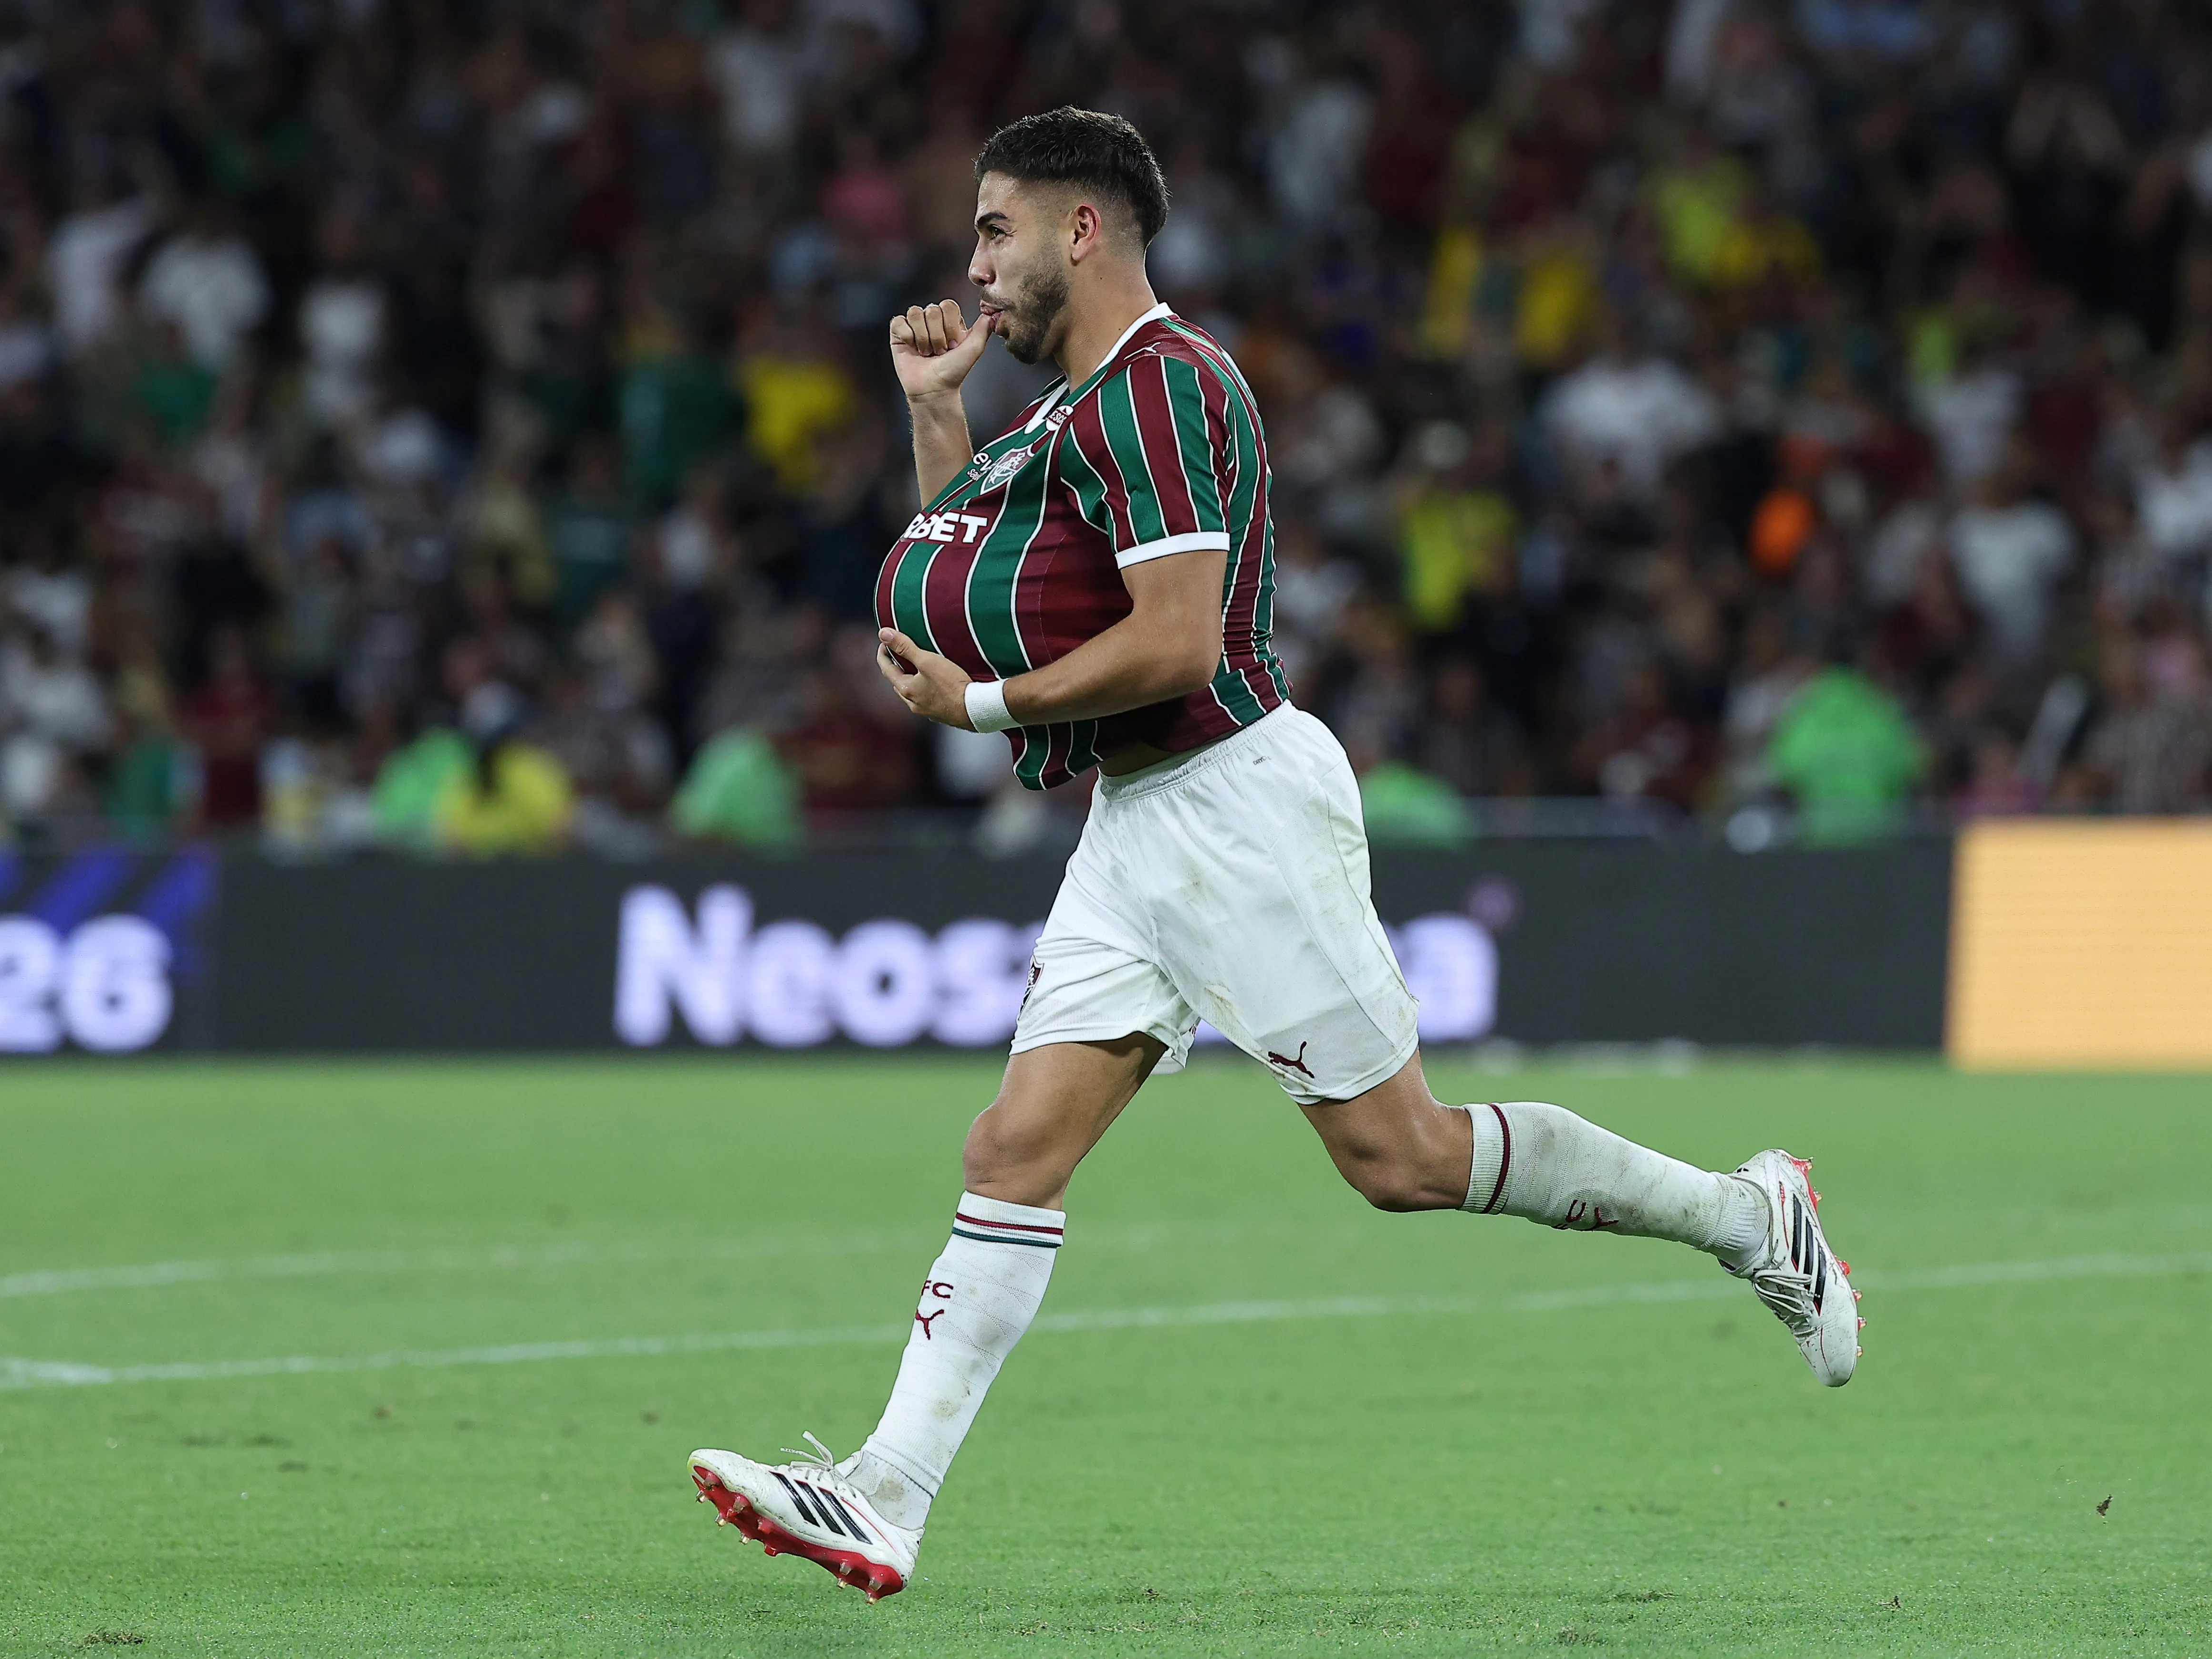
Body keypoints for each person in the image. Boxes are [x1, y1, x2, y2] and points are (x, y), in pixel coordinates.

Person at [687, 108, 1860, 1604]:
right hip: (1137, 825)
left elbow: (1169, 638)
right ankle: (884, 1493)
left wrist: (980, 709)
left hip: (1236, 804)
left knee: (1404, 1160)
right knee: (1013, 1150)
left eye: (994, 229)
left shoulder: (1168, 391)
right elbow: (984, 582)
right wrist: (934, 416)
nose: (973, 265)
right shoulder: (1062, 413)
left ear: (1084, 229)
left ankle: (1747, 1214)